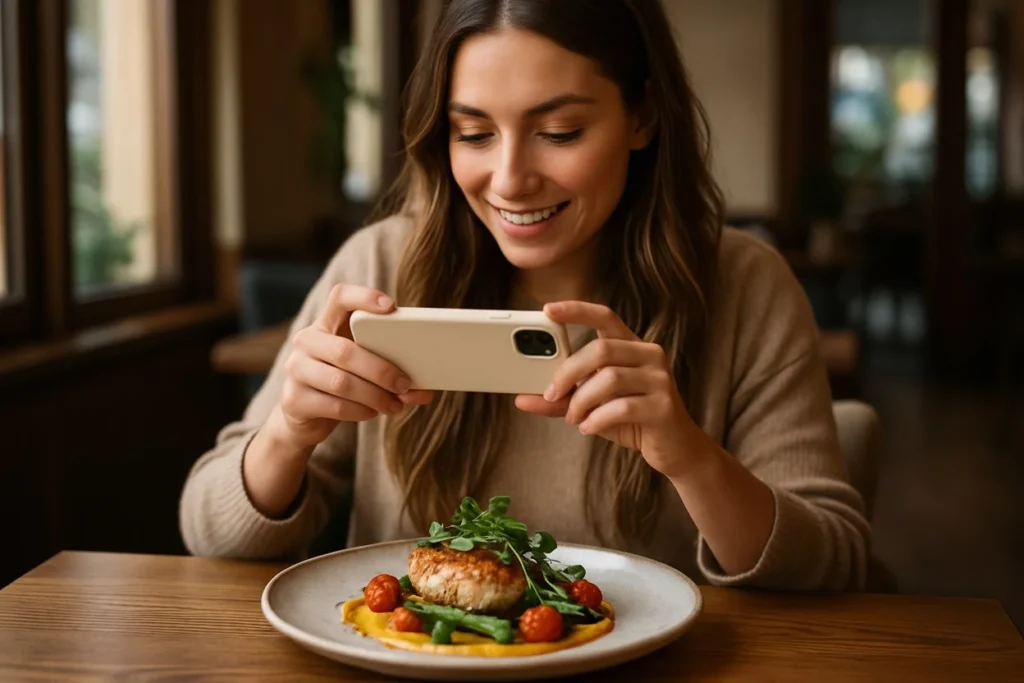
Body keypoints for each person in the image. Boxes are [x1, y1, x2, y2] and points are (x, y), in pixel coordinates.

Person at [180, 0, 870, 591]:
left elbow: (835, 562)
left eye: (558, 132)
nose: (508, 179)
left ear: (643, 116)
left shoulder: (746, 287)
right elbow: (207, 525)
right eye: (473, 133)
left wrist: (690, 455)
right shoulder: (383, 262)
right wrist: (288, 434)